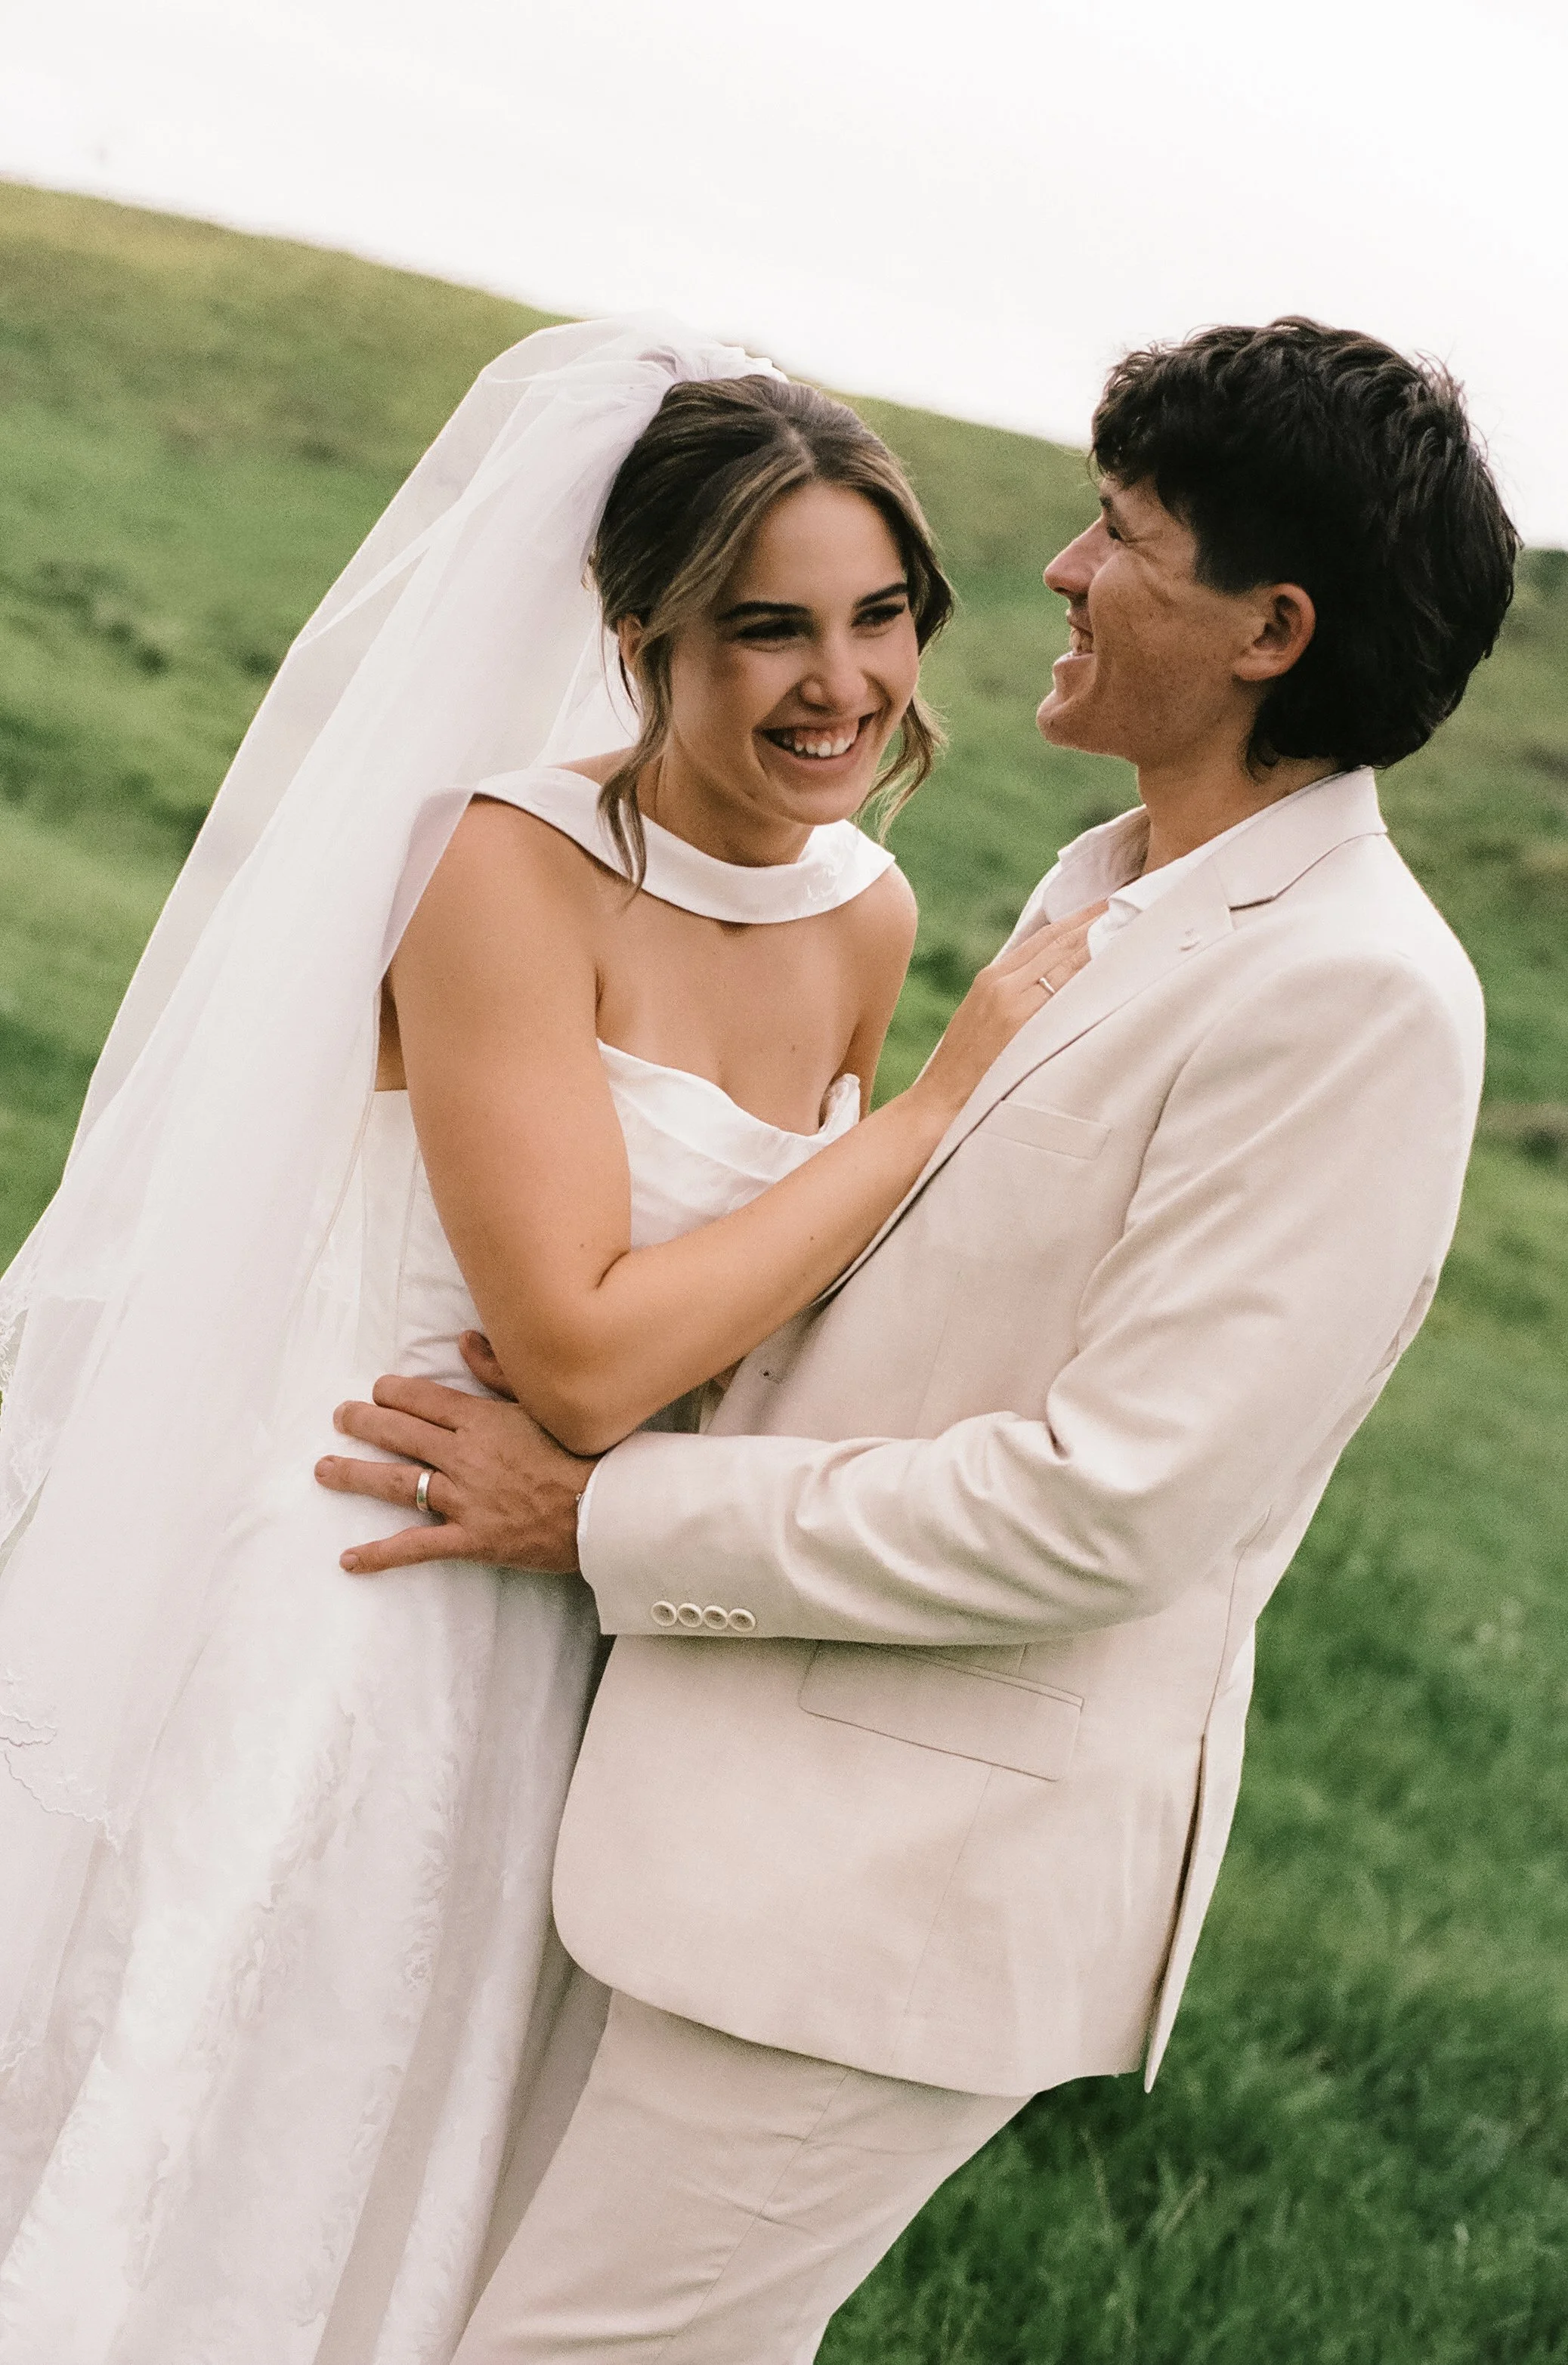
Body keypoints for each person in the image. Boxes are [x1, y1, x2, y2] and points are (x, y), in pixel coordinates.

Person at [323, 320, 1520, 2363]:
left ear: (1269, 628)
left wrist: (599, 1513)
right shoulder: (1124, 886)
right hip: (708, 1826)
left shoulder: (1357, 997)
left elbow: (1103, 1512)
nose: (1053, 569)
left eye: (1125, 537)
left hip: (892, 1903)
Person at [0, 322, 1093, 2363]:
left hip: (595, 1624)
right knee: (226, 2127)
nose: (838, 684)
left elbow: (769, 1314)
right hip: (360, 1583)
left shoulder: (861, 916)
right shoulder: (499, 867)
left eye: (880, 618)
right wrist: (945, 1113)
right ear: (638, 628)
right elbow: (581, 1352)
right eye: (764, 628)